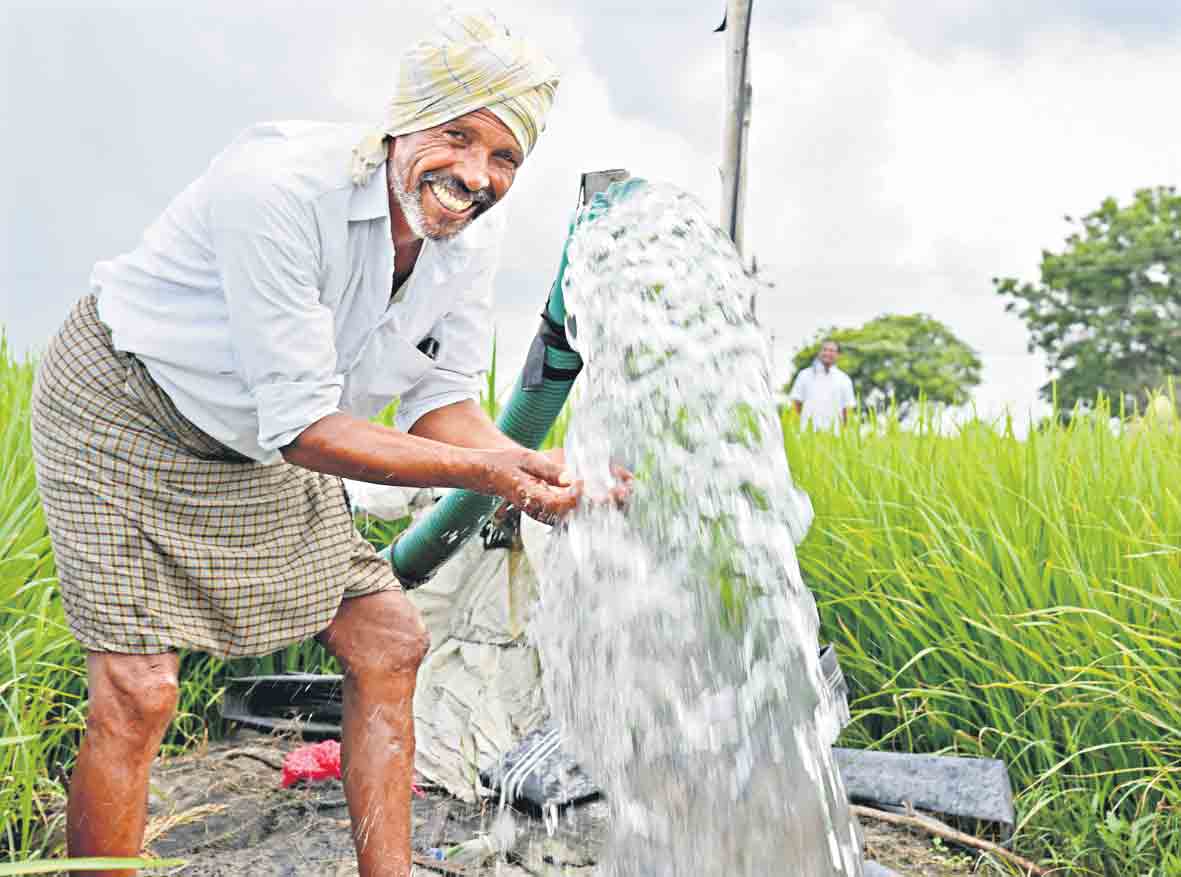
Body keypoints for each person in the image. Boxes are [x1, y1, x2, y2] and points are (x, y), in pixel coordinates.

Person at [30, 12, 574, 877]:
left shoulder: (468, 237)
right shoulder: (277, 191)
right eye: (458, 136)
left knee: (387, 638)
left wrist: (535, 469)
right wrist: (491, 468)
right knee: (138, 692)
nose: (475, 174)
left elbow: (442, 399)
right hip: (128, 409)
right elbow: (310, 430)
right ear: (405, 120)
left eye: (504, 157)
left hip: (266, 435)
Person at [788, 339, 856, 430]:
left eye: (831, 351)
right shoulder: (804, 375)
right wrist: (794, 429)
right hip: (807, 432)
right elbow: (796, 403)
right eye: (824, 350)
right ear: (819, 353)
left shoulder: (844, 380)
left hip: (835, 434)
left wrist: (846, 431)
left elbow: (847, 410)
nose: (827, 353)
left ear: (838, 355)